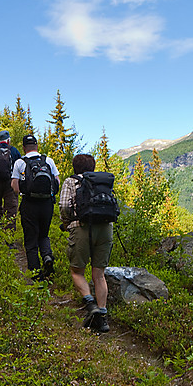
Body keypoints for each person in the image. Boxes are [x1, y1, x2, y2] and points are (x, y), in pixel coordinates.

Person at [59, 154, 113, 333]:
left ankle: (91, 305)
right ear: (93, 166)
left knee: (77, 271)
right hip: (105, 227)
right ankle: (103, 318)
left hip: (81, 226)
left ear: (74, 166)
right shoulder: (101, 182)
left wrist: (66, 223)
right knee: (99, 274)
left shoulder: (70, 182)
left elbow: (65, 207)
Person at [11, 134, 60, 281]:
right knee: (43, 234)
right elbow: (56, 181)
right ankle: (47, 256)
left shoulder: (20, 162)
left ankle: (36, 276)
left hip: (29, 204)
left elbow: (14, 186)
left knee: (31, 240)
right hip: (47, 204)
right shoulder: (48, 161)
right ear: (37, 146)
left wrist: (23, 191)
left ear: (24, 148)